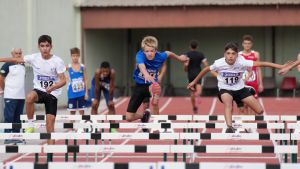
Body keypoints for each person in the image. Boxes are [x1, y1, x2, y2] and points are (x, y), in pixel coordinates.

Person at [187, 42, 286, 133]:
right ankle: (229, 127)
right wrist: (194, 82)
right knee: (228, 103)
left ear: (237, 55)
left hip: (240, 89)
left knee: (260, 111)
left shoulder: (242, 62)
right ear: (224, 54)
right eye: (228, 53)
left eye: (233, 53)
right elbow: (205, 69)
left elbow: (263, 64)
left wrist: (280, 66)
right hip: (225, 88)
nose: (230, 56)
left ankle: (247, 89)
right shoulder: (219, 63)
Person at [0, 35, 66, 144]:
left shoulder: (57, 61)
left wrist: (53, 87)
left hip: (52, 94)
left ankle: (51, 152)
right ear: (38, 47)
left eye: (47, 46)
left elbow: (63, 80)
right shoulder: (33, 58)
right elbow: (15, 59)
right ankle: (30, 124)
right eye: (42, 46)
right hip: (39, 91)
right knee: (29, 97)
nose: (45, 48)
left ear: (51, 47)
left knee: (50, 126)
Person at [126, 36, 188, 132]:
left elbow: (168, 53)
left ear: (156, 50)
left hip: (152, 85)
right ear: (143, 51)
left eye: (152, 51)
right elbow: (141, 66)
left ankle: (156, 125)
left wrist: (179, 58)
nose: (149, 53)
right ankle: (144, 116)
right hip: (140, 86)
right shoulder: (140, 55)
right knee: (129, 117)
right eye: (147, 51)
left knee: (154, 101)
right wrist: (146, 74)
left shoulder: (161, 56)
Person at [0, 48, 25, 144]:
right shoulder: (7, 64)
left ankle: (16, 136)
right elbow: (1, 79)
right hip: (10, 95)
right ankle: (7, 136)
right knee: (9, 117)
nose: (18, 55)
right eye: (16, 53)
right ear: (12, 54)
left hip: (21, 96)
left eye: (19, 53)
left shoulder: (23, 64)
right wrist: (4, 89)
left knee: (18, 118)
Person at [238, 35, 264, 115]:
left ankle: (251, 125)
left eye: (249, 43)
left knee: (252, 106)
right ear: (243, 44)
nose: (247, 45)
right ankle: (244, 125)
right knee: (243, 106)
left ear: (251, 44)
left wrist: (261, 84)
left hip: (253, 82)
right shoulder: (239, 55)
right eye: (245, 43)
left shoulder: (256, 54)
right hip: (242, 83)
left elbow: (259, 69)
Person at [183, 40, 209, 114]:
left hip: (190, 74)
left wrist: (186, 67)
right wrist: (205, 69)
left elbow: (185, 68)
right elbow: (206, 64)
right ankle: (198, 94)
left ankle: (194, 106)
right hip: (198, 74)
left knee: (192, 93)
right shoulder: (200, 54)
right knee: (199, 88)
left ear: (190, 47)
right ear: (197, 47)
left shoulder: (187, 55)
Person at [66, 47, 88, 115]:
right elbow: (59, 73)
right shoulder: (68, 67)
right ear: (71, 56)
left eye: (76, 56)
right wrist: (65, 78)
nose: (75, 57)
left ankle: (82, 125)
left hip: (81, 92)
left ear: (79, 56)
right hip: (72, 93)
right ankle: (71, 125)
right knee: (72, 113)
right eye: (73, 56)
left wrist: (86, 92)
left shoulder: (82, 66)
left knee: (82, 112)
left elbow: (86, 79)